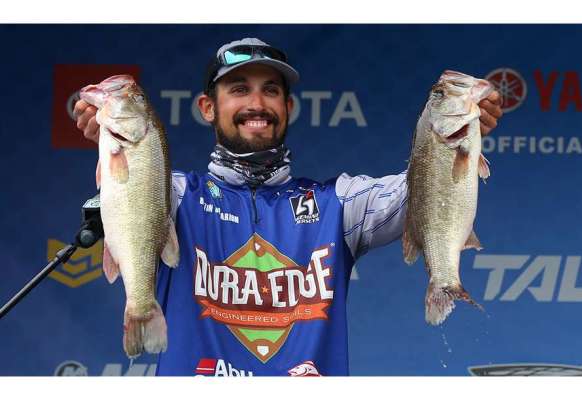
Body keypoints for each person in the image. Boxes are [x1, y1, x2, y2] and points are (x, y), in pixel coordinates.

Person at [73, 37, 503, 376]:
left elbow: (424, 193)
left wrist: (452, 141)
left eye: (271, 91)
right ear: (208, 107)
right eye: (239, 89)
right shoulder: (177, 196)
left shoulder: (338, 205)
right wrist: (109, 131)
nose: (256, 104)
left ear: (288, 107)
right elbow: (135, 186)